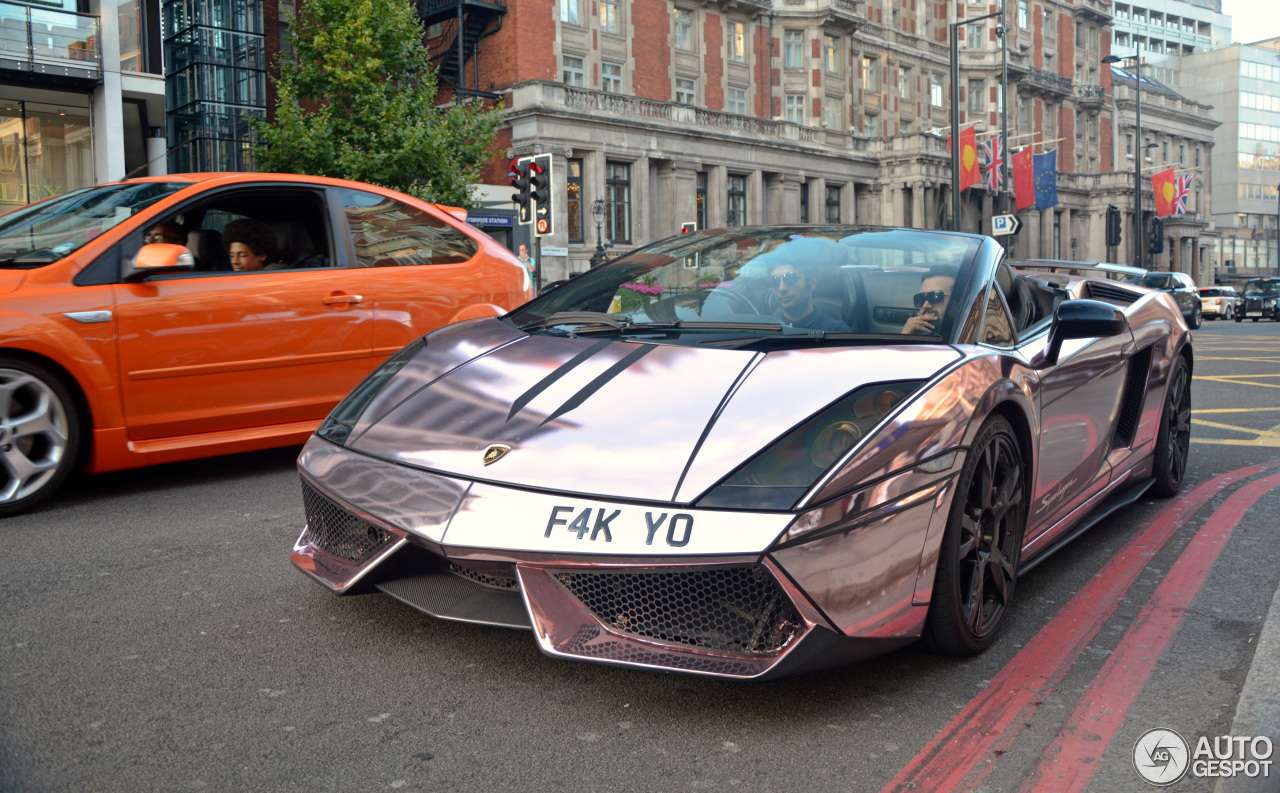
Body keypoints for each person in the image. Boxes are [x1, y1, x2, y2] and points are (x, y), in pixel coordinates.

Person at [769, 261, 851, 332]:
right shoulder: (764, 327)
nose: (782, 288)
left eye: (790, 278)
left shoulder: (836, 331)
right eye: (774, 281)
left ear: (812, 283)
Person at [902, 265, 958, 335]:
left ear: (958, 300)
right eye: (921, 298)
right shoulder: (921, 333)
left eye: (935, 297)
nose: (925, 305)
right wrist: (905, 337)